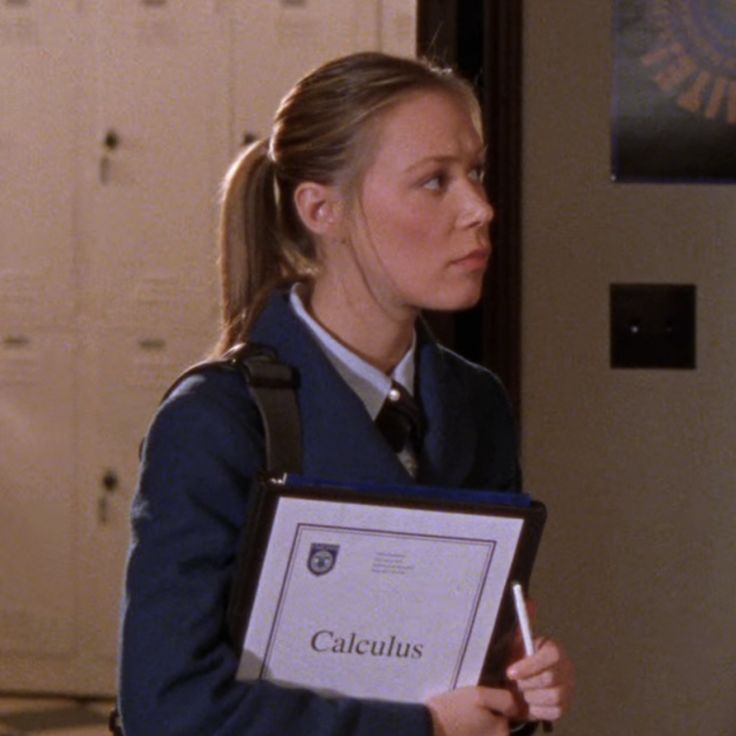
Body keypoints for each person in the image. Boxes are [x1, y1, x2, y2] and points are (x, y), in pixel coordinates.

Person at [118, 51, 573, 736]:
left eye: (474, 173)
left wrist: (517, 682)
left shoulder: (476, 403)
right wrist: (425, 729)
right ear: (320, 207)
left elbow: (463, 655)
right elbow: (170, 709)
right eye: (434, 182)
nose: (480, 208)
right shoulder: (216, 420)